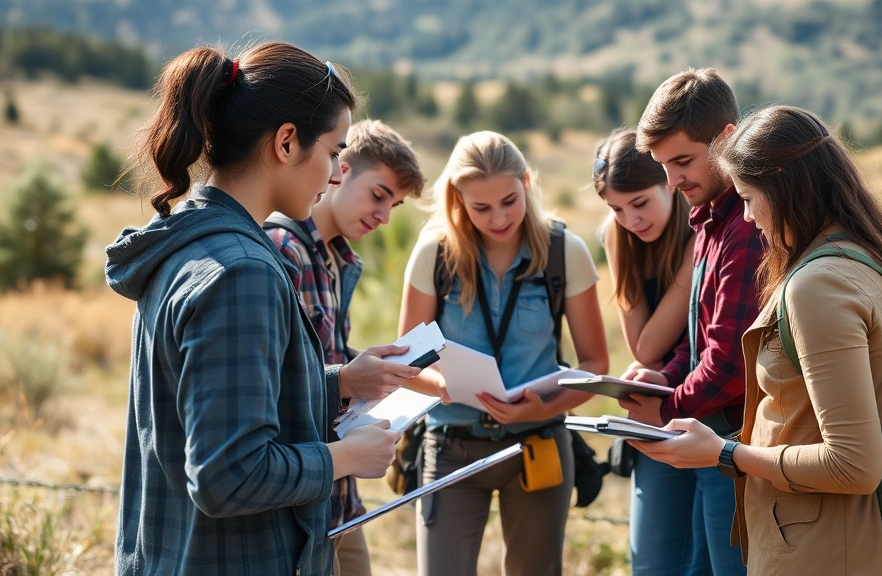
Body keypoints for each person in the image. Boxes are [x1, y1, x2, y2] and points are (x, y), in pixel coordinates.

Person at [104, 43, 402, 575]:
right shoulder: (241, 272)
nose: (336, 174)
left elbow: (209, 403)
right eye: (335, 153)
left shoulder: (192, 243)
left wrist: (335, 383)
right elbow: (228, 475)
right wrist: (348, 456)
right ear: (287, 142)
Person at [630, 105, 882, 575]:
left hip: (828, 550)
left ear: (785, 187)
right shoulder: (867, 258)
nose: (749, 218)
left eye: (750, 199)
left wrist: (722, 451)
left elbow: (854, 463)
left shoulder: (819, 285)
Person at [398, 131, 609, 576]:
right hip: (451, 447)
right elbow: (406, 362)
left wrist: (544, 405)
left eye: (510, 201)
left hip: (539, 444)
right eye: (481, 207)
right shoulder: (433, 253)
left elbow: (595, 367)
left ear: (527, 183)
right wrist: (443, 386)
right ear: (457, 199)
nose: (499, 218)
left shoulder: (563, 252)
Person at [264, 119, 434, 576]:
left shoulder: (337, 260)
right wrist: (347, 378)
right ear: (338, 169)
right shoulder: (283, 250)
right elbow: (270, 383)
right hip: (299, 498)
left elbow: (320, 357)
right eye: (379, 195)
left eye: (394, 206)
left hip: (341, 498)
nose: (383, 216)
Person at [623, 68, 763, 576]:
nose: (672, 180)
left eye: (682, 161)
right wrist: (665, 377)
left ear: (728, 138)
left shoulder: (746, 229)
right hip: (711, 442)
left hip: (738, 452)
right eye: (663, 166)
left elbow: (730, 364)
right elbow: (701, 337)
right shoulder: (706, 218)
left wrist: (662, 412)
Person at [592, 127, 700, 575]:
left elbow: (651, 346)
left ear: (669, 184)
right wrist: (616, 237)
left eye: (640, 203)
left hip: (711, 406)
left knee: (702, 560)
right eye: (616, 209)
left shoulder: (701, 233)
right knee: (653, 561)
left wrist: (649, 359)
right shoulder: (617, 235)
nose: (630, 220)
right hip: (657, 411)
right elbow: (642, 347)